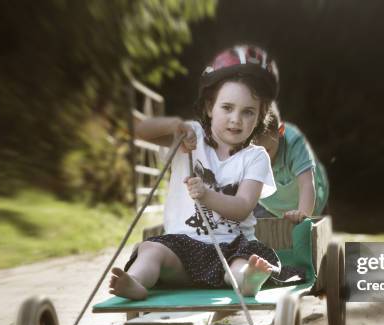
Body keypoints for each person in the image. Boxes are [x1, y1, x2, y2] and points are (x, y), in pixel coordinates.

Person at [109, 45, 281, 300]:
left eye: (248, 112)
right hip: (182, 249)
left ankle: (247, 280)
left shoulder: (255, 157)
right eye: (227, 108)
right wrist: (173, 126)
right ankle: (135, 282)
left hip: (231, 246)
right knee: (151, 249)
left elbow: (243, 206)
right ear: (210, 107)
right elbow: (140, 130)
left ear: (259, 118)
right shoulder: (192, 136)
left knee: (242, 261)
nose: (236, 119)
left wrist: (207, 196)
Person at [253, 103, 329, 223]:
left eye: (266, 151)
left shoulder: (294, 143)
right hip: (270, 205)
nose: (261, 159)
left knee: (311, 234)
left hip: (309, 200)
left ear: (280, 131)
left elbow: (307, 184)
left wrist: (302, 216)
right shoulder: (240, 146)